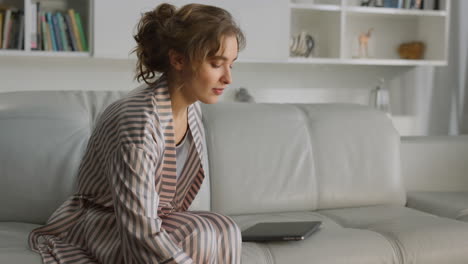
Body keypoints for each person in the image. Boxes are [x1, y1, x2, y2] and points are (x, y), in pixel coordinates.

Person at [28, 3, 246, 264]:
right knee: (200, 236)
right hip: (101, 223)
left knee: (225, 228)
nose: (228, 78)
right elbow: (139, 230)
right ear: (178, 60)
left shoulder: (192, 109)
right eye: (216, 64)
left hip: (152, 217)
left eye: (231, 65)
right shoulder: (138, 123)